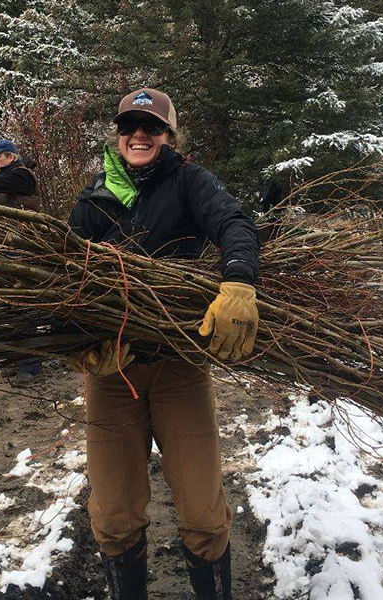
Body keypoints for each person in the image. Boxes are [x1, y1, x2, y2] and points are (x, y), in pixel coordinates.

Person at [66, 88, 259, 600]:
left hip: (179, 368)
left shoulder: (190, 181)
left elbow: (234, 223)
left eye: (151, 128)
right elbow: (63, 281)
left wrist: (238, 280)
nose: (139, 136)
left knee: (202, 513)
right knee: (113, 515)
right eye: (129, 126)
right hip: (113, 374)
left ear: (169, 136)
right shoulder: (94, 199)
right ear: (117, 135)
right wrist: (81, 342)